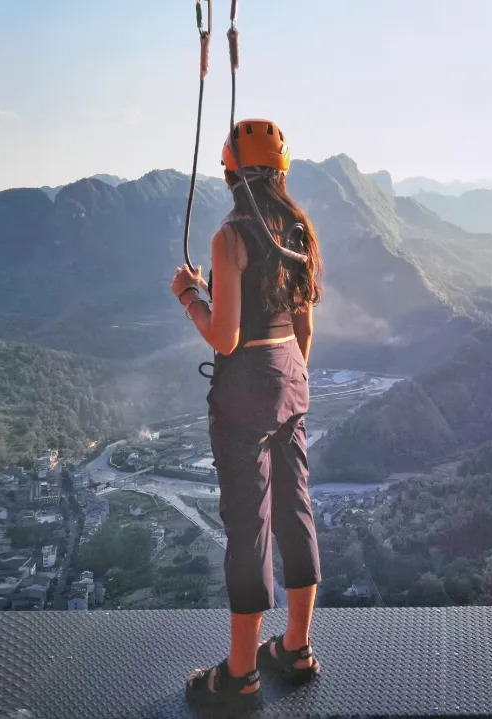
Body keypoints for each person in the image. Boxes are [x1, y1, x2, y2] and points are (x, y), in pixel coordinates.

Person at [170, 119, 323, 710]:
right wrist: (290, 381)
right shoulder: (299, 230)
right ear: (281, 172)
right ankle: (297, 648)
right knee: (296, 508)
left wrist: (192, 296)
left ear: (231, 172)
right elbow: (303, 325)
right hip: (292, 375)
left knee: (249, 526)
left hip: (246, 390)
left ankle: (239, 675)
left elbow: (225, 337)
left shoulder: (230, 237)